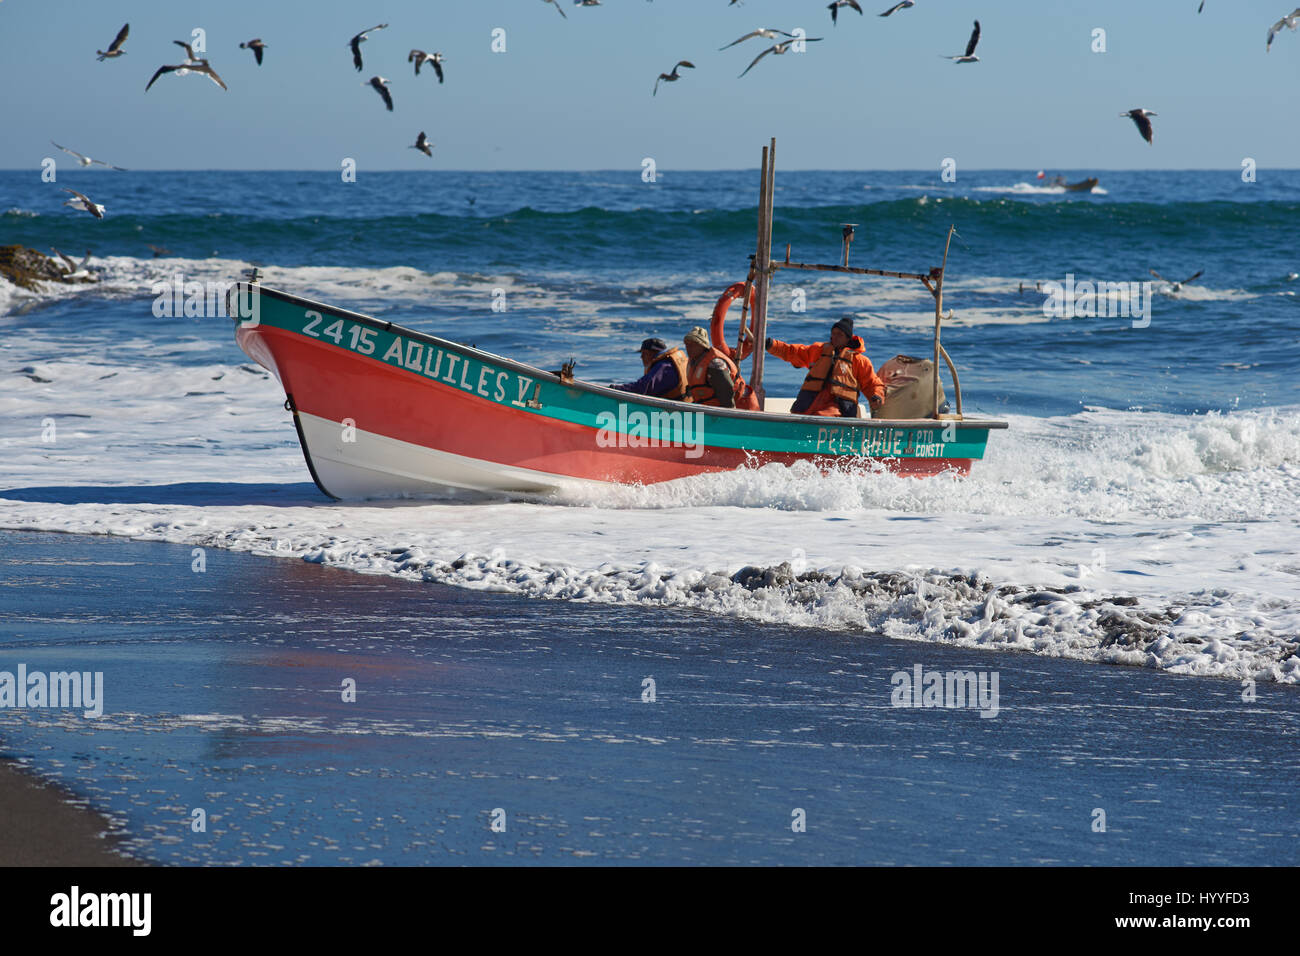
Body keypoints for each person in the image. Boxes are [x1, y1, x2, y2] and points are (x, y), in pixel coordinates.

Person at [765, 316, 885, 417]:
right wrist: (771, 345)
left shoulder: (860, 361)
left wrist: (876, 396)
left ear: (848, 338)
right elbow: (792, 352)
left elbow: (872, 383)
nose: (835, 337)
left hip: (839, 411)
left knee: (823, 415)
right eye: (833, 333)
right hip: (808, 406)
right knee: (802, 414)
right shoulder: (818, 350)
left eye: (839, 334)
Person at [611, 337, 689, 400]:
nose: (641, 357)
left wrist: (614, 388)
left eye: (644, 353)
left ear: (654, 353)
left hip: (675, 412)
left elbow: (641, 388)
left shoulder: (664, 367)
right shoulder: (668, 363)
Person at [682, 326, 738, 408]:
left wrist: (726, 416)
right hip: (706, 407)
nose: (688, 348)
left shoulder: (715, 365)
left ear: (702, 346)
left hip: (727, 409)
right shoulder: (694, 360)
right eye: (687, 344)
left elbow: (727, 393)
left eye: (693, 344)